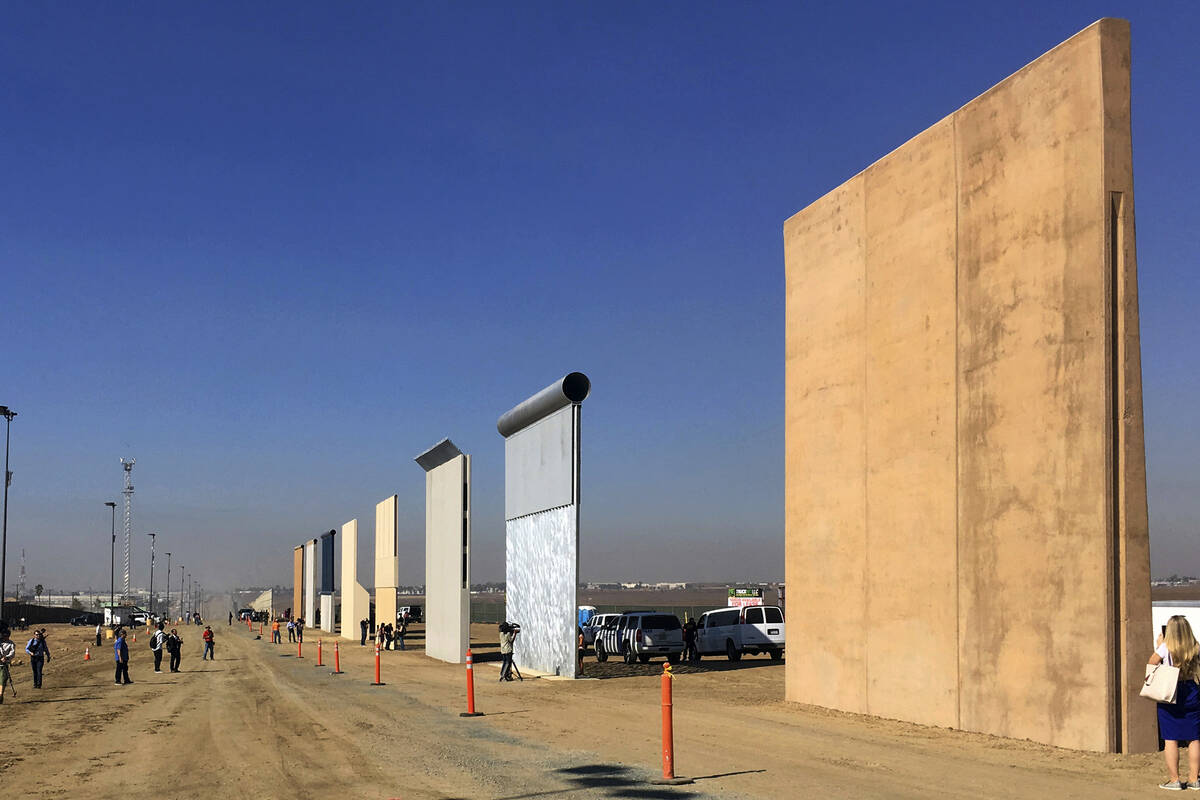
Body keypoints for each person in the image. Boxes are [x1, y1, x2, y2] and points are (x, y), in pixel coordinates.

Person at [1150, 614, 1200, 790]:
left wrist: (1158, 647)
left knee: (1170, 737)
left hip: (1171, 692)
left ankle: (1175, 780)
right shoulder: (1195, 646)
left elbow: (1152, 663)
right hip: (1192, 691)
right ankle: (1194, 778)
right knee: (1194, 737)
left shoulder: (1165, 647)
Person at [0, 626, 13, 703]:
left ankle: (0, 695)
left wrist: (6, 658)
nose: (4, 637)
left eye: (6, 636)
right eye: (3, 635)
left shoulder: (11, 644)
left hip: (3, 665)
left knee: (2, 680)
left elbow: (12, 654)